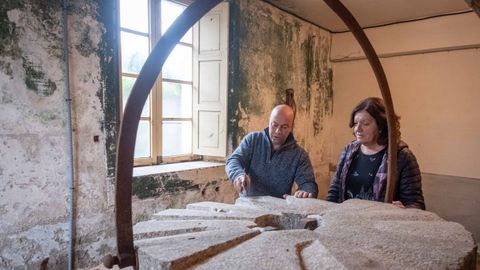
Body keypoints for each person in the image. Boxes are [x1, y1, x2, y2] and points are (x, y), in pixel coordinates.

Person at [327, 97, 425, 209]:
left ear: (381, 126)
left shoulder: (401, 156)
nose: (358, 129)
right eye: (355, 123)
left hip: (381, 224)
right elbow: (334, 191)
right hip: (347, 220)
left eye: (366, 124)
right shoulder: (349, 150)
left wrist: (404, 209)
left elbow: (417, 204)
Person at [225, 104, 318, 198]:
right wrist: (238, 175)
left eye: (284, 127)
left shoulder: (299, 155)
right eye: (274, 125)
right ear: (269, 122)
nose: (278, 131)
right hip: (249, 205)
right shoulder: (253, 140)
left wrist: (305, 190)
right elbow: (233, 160)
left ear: (291, 128)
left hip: (278, 209)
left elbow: (308, 183)